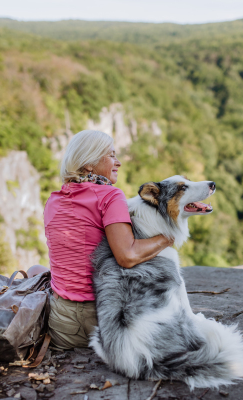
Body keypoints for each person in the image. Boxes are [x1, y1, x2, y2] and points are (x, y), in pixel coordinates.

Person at [42, 130, 174, 350]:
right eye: (111, 155)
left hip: (61, 326)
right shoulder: (109, 195)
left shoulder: (54, 200)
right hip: (103, 321)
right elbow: (128, 255)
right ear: (89, 164)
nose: (118, 162)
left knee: (38, 269)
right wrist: (167, 237)